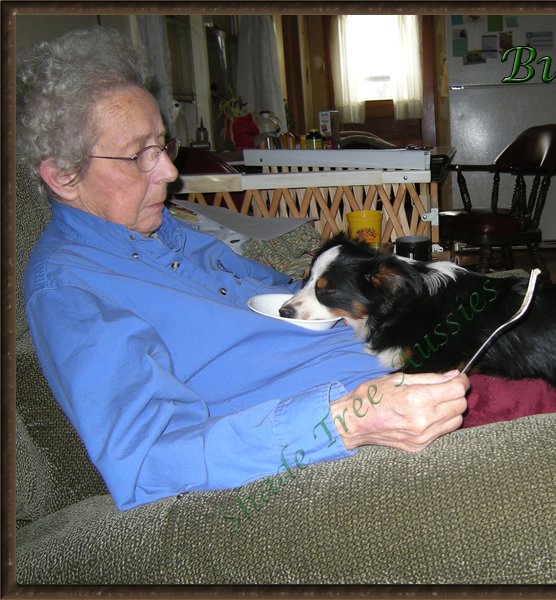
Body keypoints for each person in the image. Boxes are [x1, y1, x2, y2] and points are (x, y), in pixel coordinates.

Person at [17, 27, 468, 511]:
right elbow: (147, 462)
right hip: (375, 422)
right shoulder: (72, 291)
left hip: (419, 348)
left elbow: (284, 297)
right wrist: (349, 421)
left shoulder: (170, 234)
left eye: (162, 146)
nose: (170, 172)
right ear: (62, 176)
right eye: (137, 156)